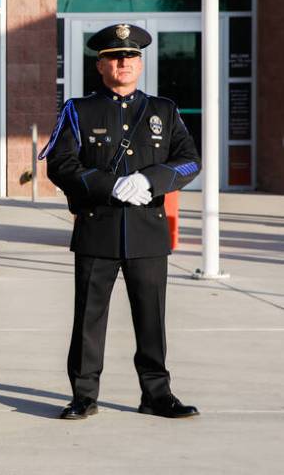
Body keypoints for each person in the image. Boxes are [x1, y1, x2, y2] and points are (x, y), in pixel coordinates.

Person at [40, 23, 201, 421]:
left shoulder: (163, 110)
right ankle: (83, 395)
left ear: (141, 63)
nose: (123, 63)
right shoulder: (78, 110)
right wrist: (112, 186)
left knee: (151, 319)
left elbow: (190, 160)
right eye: (114, 57)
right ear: (101, 65)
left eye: (130, 56)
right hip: (98, 227)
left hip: (148, 231)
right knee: (89, 320)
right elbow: (60, 165)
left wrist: (150, 179)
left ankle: (157, 394)